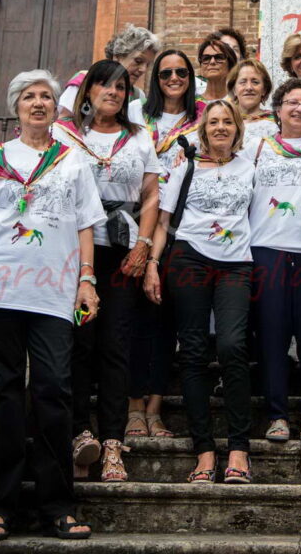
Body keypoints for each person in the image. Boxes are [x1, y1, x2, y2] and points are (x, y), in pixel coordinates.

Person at [0, 70, 105, 541]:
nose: (38, 103)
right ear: (16, 107)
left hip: (53, 293)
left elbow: (85, 225)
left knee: (53, 391)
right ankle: (0, 506)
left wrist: (86, 280)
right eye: (28, 97)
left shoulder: (72, 160)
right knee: (3, 392)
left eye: (45, 97)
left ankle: (56, 505)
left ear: (56, 108)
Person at [54, 60, 161, 482]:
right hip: (73, 252)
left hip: (121, 253)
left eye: (120, 87)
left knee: (115, 345)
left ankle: (114, 442)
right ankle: (80, 434)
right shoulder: (66, 136)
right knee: (79, 342)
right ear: (88, 91)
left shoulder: (139, 138)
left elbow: (150, 196)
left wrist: (143, 245)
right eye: (104, 85)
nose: (113, 92)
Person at [145, 100, 254, 484]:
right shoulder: (185, 167)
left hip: (236, 264)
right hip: (188, 259)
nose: (220, 127)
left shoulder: (250, 167)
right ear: (203, 129)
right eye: (213, 122)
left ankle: (239, 449)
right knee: (192, 352)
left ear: (237, 128)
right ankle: (204, 451)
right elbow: (163, 223)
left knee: (232, 346)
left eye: (228, 122)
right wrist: (153, 265)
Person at [127, 48, 204, 439]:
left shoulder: (203, 117)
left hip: (181, 227)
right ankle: (132, 408)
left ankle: (155, 410)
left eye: (181, 72)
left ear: (190, 78)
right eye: (165, 73)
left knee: (166, 322)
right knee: (135, 321)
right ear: (155, 79)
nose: (174, 79)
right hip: (135, 223)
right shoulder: (136, 115)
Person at [247, 78, 301, 442]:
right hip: (267, 249)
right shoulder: (257, 146)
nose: (299, 108)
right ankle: (276, 415)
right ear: (277, 109)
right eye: (292, 102)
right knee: (271, 335)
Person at [57, 24, 160, 119]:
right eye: (138, 61)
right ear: (118, 56)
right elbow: (64, 121)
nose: (143, 69)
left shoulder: (138, 96)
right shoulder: (84, 80)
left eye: (148, 65)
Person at [227, 57, 277, 140]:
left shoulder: (277, 122)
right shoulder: (224, 120)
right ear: (234, 90)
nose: (249, 87)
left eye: (255, 82)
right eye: (243, 82)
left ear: (264, 90)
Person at [197, 32, 238, 102]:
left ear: (230, 65)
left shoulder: (238, 101)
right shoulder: (192, 103)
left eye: (219, 57)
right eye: (206, 58)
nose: (212, 62)